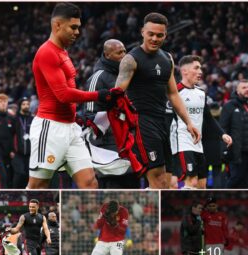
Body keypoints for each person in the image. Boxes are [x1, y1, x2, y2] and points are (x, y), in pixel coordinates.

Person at [28, 2, 119, 189]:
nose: (77, 32)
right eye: (73, 27)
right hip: (50, 127)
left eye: (78, 27)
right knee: (38, 186)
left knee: (89, 183)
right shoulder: (47, 52)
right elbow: (62, 94)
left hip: (71, 128)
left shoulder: (62, 52)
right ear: (57, 25)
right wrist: (99, 95)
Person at [115, 12, 200, 188]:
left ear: (165, 35)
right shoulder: (130, 60)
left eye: (159, 35)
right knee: (159, 180)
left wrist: (189, 123)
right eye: (150, 34)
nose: (155, 38)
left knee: (168, 182)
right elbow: (116, 95)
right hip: (142, 122)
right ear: (142, 32)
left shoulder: (167, 58)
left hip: (163, 122)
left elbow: (173, 94)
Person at [83, 39, 140, 188]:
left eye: (124, 51)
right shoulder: (98, 77)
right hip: (108, 145)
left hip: (128, 141)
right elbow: (90, 117)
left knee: (132, 184)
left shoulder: (128, 75)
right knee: (112, 186)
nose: (124, 55)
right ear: (107, 54)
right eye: (119, 52)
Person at [170, 55, 232, 189]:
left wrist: (222, 134)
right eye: (196, 68)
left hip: (198, 145)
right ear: (184, 71)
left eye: (201, 68)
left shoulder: (201, 93)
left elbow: (208, 118)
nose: (200, 72)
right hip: (182, 143)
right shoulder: (174, 92)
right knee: (191, 182)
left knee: (201, 185)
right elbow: (166, 119)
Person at [220, 79, 248, 188]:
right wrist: (224, 151)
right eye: (244, 88)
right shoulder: (229, 106)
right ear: (237, 90)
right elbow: (223, 129)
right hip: (237, 152)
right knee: (236, 179)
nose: (247, 90)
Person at [12, 97, 34, 188]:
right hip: (18, 152)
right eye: (24, 104)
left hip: (30, 153)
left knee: (28, 175)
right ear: (20, 106)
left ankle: (25, 193)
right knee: (19, 173)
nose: (26, 106)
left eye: (28, 104)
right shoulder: (15, 119)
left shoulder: (33, 119)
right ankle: (14, 193)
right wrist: (12, 149)